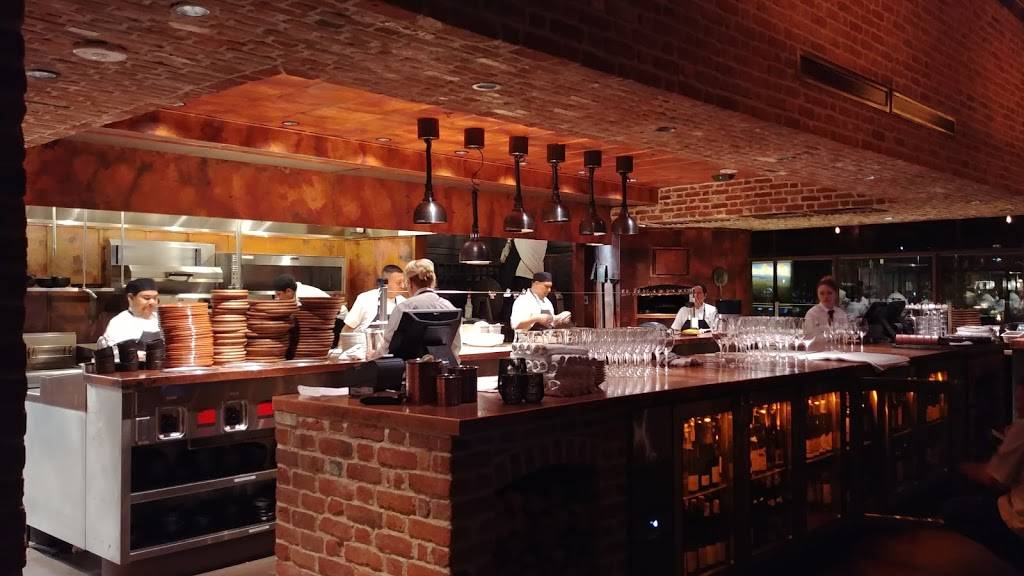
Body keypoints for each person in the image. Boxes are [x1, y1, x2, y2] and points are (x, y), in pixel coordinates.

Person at [942, 396, 1024, 568]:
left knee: (952, 509)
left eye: (1021, 393)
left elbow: (993, 480)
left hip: (1017, 519)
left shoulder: (1022, 428)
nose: (1017, 400)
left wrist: (958, 466)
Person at [379, 259, 461, 358]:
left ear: (409, 283)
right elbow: (455, 348)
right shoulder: (449, 307)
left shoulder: (404, 308)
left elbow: (387, 348)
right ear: (433, 282)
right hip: (441, 366)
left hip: (409, 367)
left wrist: (374, 355)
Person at [98, 278, 161, 348]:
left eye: (155, 298)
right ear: (130, 298)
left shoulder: (162, 319)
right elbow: (114, 351)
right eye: (146, 298)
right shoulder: (119, 322)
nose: (152, 302)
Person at [343, 264, 407, 333]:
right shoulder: (365, 299)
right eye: (398, 283)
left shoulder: (404, 303)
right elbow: (347, 330)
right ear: (385, 283)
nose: (403, 286)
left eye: (403, 282)